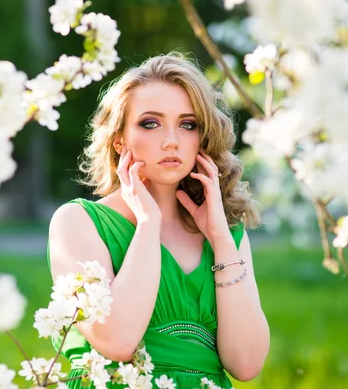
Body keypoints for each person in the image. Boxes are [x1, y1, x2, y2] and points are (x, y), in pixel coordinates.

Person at [47, 53, 270, 388]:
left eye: (188, 124)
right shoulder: (77, 222)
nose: (172, 140)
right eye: (150, 123)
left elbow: (247, 364)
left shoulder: (227, 235)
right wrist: (148, 222)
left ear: (202, 138)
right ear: (119, 138)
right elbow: (117, 341)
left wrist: (222, 242)